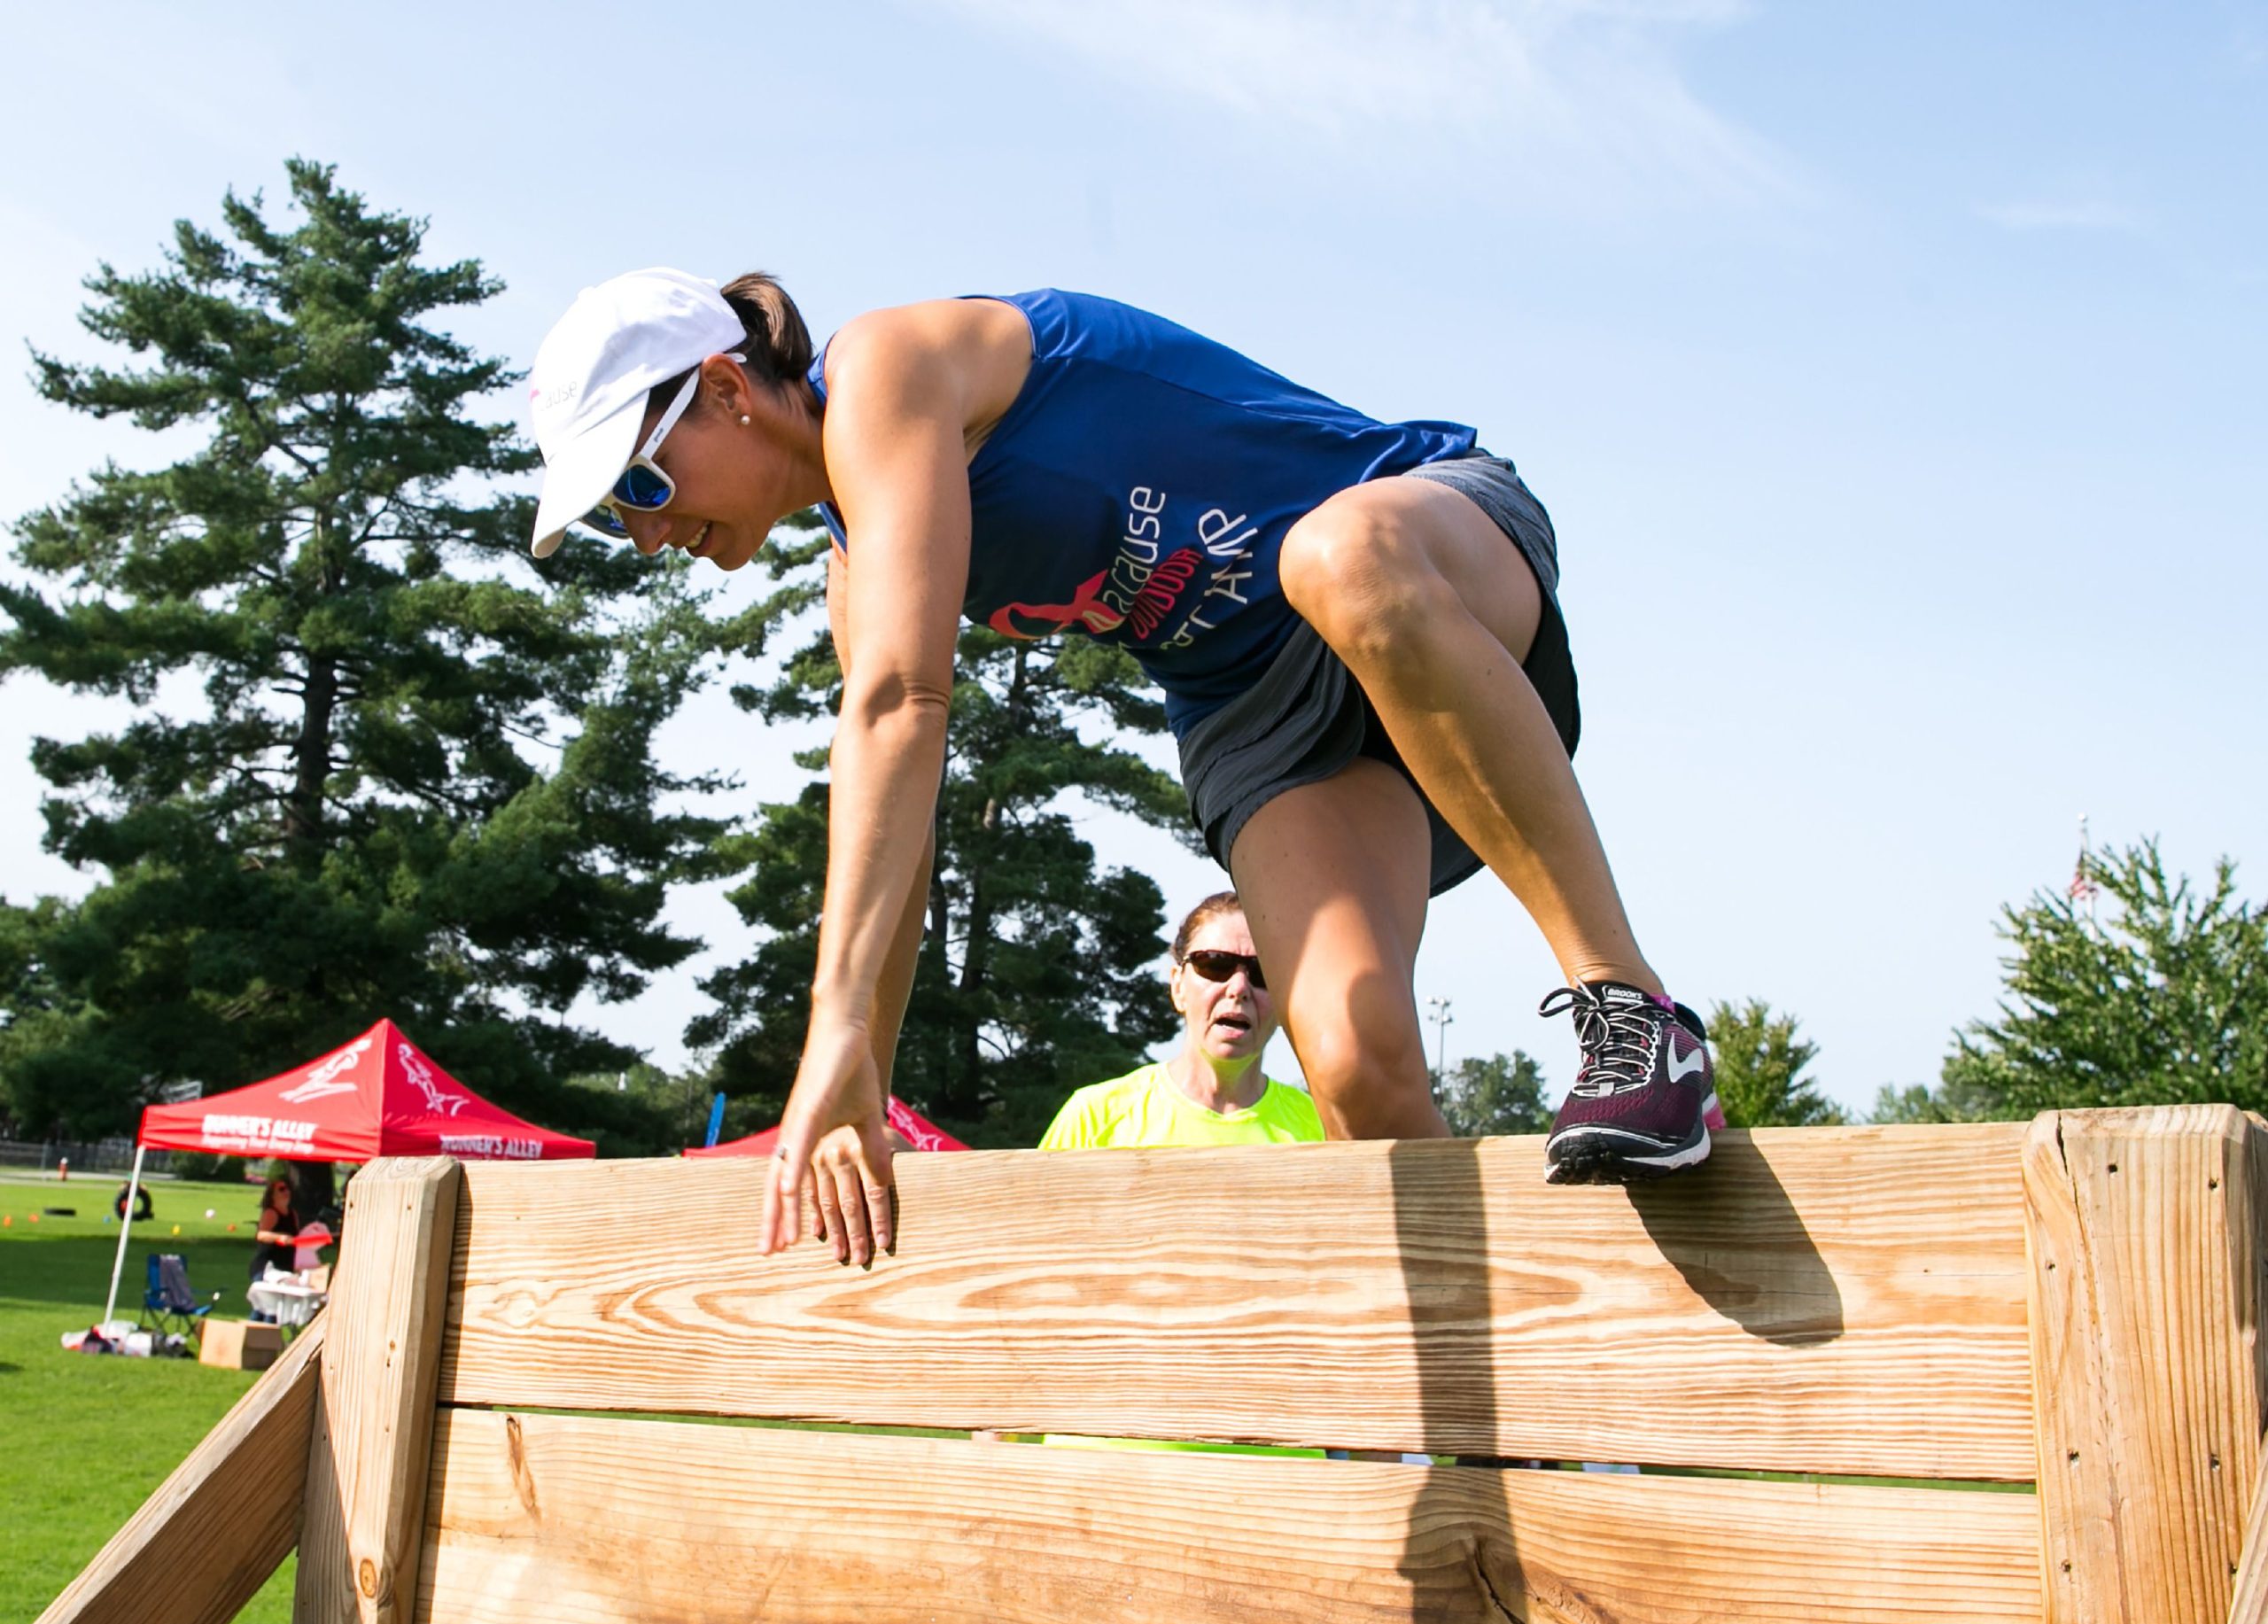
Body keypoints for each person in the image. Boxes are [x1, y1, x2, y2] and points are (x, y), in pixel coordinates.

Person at [525, 271, 1723, 1264]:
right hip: (1253, 696)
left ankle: (1632, 1013)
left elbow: (904, 703)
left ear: (728, 388)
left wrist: (832, 1028)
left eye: (640, 484)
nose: (645, 534)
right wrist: (862, 1085)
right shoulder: (857, 568)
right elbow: (897, 797)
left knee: (1337, 554)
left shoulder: (884, 366)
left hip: (1419, 543)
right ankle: (1505, 1441)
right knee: (1355, 1063)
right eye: (613, 519)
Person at [1041, 890, 1321, 1151]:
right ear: (1178, 986)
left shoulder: (1321, 1130)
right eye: (1214, 964)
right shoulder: (1094, 1119)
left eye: (1262, 972)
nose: (1238, 987)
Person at [250, 1176, 300, 1286]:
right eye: (281, 1189)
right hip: (267, 1268)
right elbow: (261, 1235)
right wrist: (279, 1237)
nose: (286, 1191)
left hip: (285, 1267)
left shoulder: (293, 1214)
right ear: (272, 1194)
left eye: (288, 1188)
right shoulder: (270, 1213)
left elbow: (295, 1239)